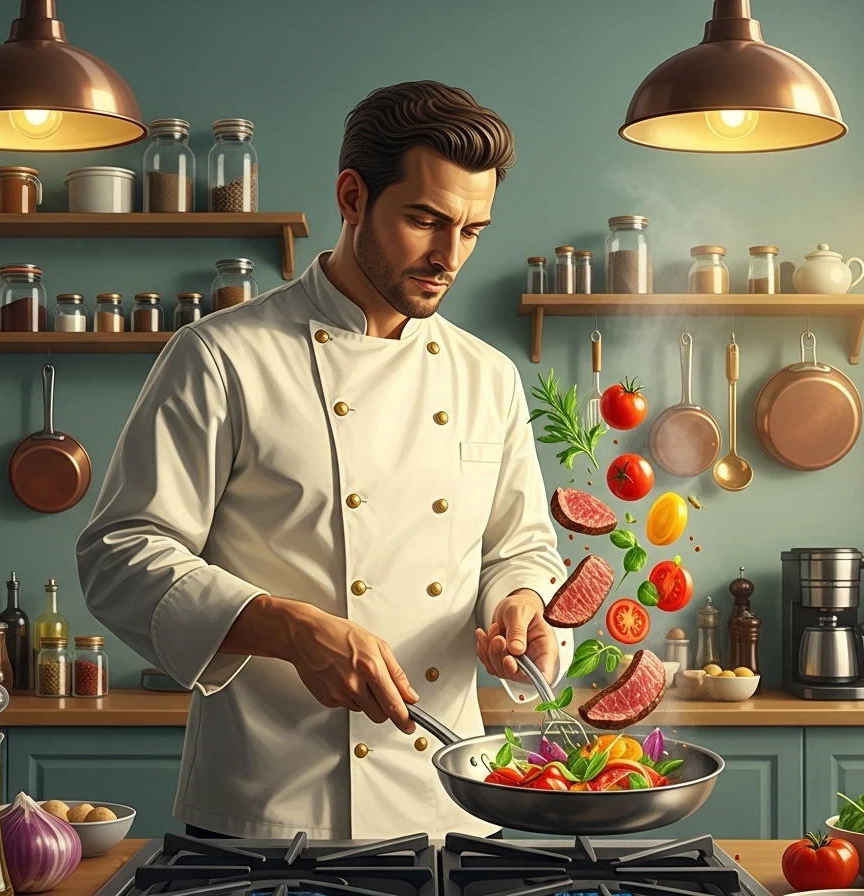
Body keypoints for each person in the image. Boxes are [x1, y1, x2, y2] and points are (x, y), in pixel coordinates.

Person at [76, 80, 572, 840]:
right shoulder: (221, 357)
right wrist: (287, 626)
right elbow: (120, 554)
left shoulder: (488, 376)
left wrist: (522, 603)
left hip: (455, 807)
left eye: (473, 230)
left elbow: (519, 545)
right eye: (425, 220)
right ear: (351, 196)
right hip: (269, 810)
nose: (449, 256)